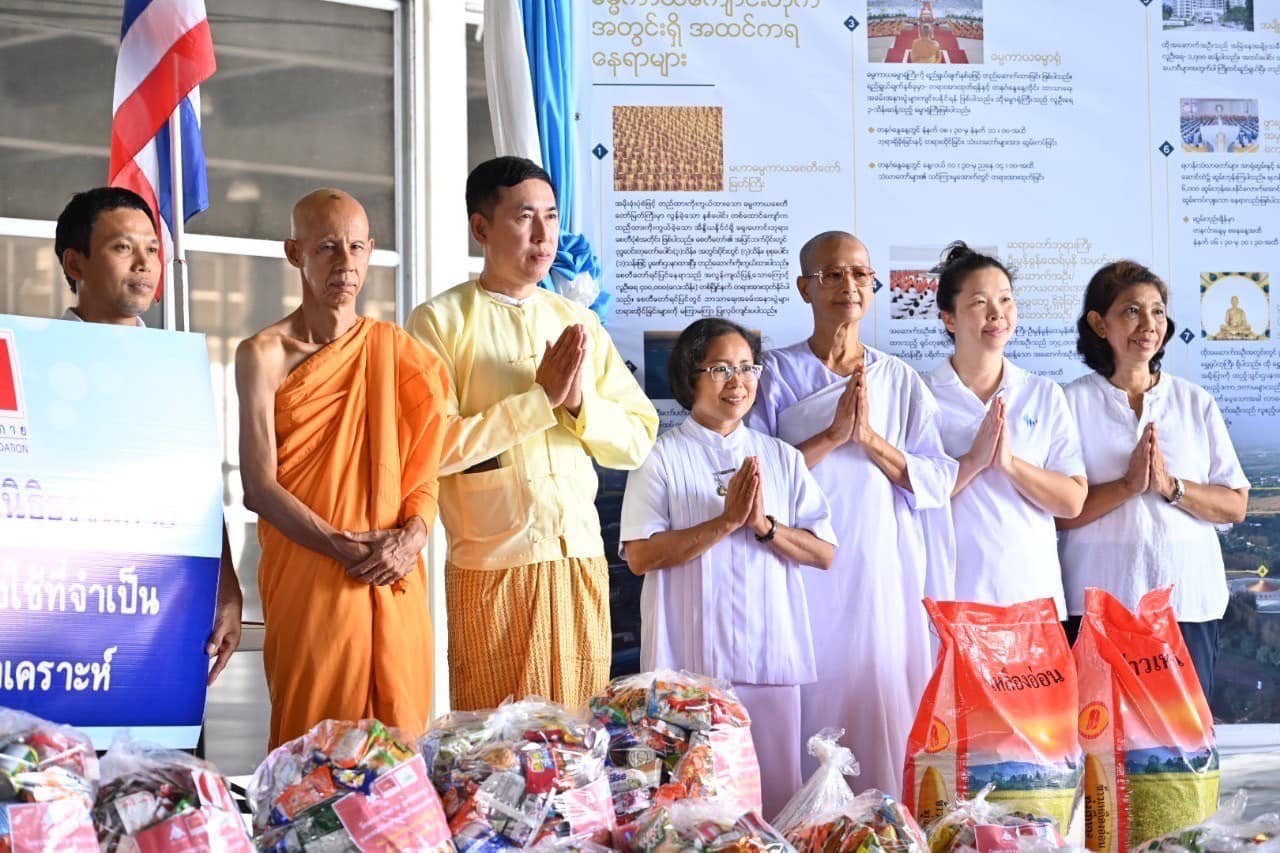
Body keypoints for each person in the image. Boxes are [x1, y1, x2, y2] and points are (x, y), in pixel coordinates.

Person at [407, 157, 658, 711]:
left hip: (579, 559)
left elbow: (638, 436)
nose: (544, 235)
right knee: (496, 737)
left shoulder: (578, 322)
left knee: (577, 731)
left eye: (551, 216)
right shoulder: (440, 322)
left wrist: (578, 403)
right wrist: (539, 401)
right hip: (493, 562)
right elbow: (432, 448)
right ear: (481, 228)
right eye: (525, 217)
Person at [235, 188, 448, 747]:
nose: (345, 263)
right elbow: (259, 486)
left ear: (371, 251)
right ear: (295, 253)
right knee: (313, 743)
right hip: (313, 577)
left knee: (400, 747)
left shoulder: (398, 352)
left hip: (394, 572)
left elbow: (426, 470)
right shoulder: (263, 354)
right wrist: (344, 548)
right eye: (328, 247)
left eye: (356, 247)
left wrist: (412, 537)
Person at [747, 231, 956, 797]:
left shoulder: (898, 379)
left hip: (876, 569)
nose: (849, 285)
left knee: (877, 699)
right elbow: (754, 479)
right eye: (832, 274)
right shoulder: (772, 375)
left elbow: (937, 479)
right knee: (803, 696)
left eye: (860, 274)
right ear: (804, 288)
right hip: (795, 565)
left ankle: (882, 819)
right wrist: (834, 435)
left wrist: (870, 440)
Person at [620, 318, 836, 817]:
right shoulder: (660, 457)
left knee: (776, 798)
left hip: (770, 657)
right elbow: (641, 555)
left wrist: (763, 526)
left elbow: (824, 552)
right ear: (690, 377)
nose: (738, 381)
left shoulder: (782, 458)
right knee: (689, 805)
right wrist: (724, 522)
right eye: (721, 368)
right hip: (687, 663)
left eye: (747, 367)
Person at [54, 186, 242, 684]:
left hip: (159, 604)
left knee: (157, 733)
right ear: (75, 263)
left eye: (153, 249)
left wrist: (226, 587)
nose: (144, 264)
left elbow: (197, 486)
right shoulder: (32, 361)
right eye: (123, 247)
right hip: (58, 602)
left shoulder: (173, 367)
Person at [1058, 260, 1249, 700]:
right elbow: (1057, 514)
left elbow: (1235, 504)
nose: (1148, 325)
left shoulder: (1194, 401)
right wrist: (1127, 487)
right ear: (1099, 324)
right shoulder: (1070, 402)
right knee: (1099, 733)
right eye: (1132, 311)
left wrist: (1170, 487)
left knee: (1180, 738)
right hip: (1096, 604)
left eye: (1158, 311)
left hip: (1185, 603)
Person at [922, 242, 1086, 620]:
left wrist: (1009, 464)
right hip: (951, 601)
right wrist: (973, 462)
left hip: (1032, 599)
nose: (997, 313)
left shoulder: (1042, 393)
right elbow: (911, 496)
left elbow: (1072, 501)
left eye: (1006, 299)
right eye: (980, 302)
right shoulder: (920, 395)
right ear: (949, 319)